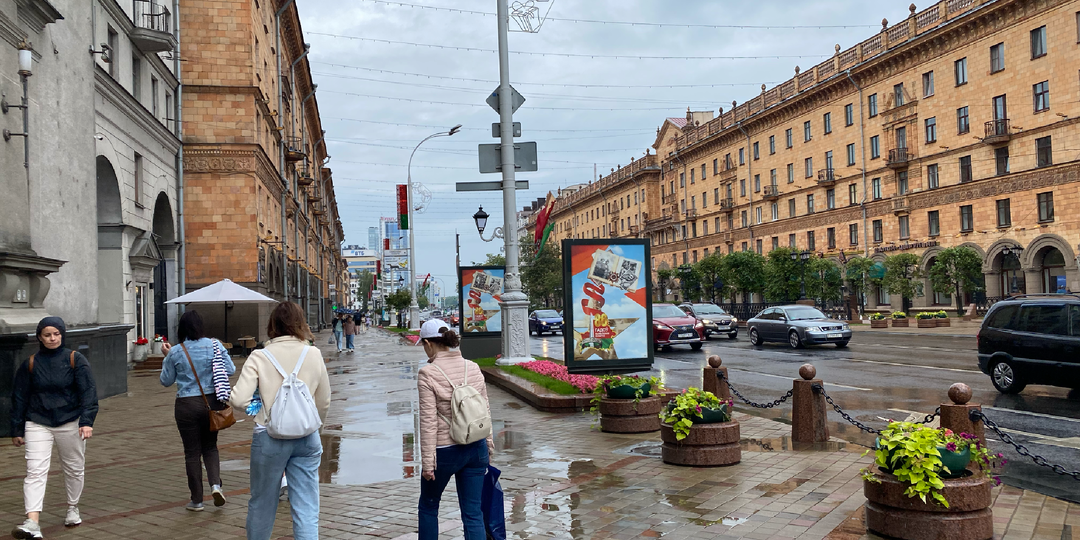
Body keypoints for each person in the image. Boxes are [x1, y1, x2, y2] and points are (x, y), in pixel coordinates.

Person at [231, 302, 330, 540]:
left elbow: (238, 399)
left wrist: (260, 411)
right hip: (307, 438)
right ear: (300, 323)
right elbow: (324, 401)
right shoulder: (313, 353)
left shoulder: (259, 356)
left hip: (269, 437)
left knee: (262, 503)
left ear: (272, 325)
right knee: (306, 507)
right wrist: (312, 425)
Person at [10, 317, 98, 539]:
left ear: (62, 335)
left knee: (74, 468)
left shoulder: (75, 359)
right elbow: (19, 397)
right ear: (39, 337)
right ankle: (32, 522)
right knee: (35, 472)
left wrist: (87, 421)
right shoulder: (30, 363)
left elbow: (88, 392)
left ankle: (72, 508)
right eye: (47, 334)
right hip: (37, 422)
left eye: (56, 334)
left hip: (71, 421)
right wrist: (17, 429)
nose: (52, 338)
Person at [416, 319, 494, 540]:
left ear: (429, 344)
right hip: (476, 447)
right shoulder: (473, 367)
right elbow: (484, 410)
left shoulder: (427, 373)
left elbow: (429, 421)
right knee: (473, 512)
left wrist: (428, 464)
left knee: (429, 506)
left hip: (444, 451)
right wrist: (488, 445)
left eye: (423, 344)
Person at [159, 310, 236, 511]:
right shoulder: (215, 345)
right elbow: (230, 369)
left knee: (192, 452)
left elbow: (165, 381)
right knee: (210, 447)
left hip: (186, 405)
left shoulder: (176, 351)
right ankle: (216, 486)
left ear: (182, 329)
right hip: (213, 402)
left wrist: (168, 357)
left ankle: (197, 500)